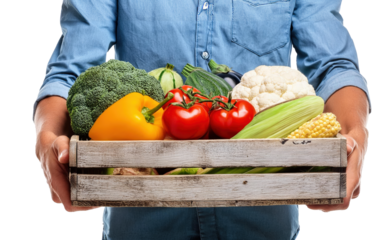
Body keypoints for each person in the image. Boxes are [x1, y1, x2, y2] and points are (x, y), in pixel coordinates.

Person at [32, 0, 372, 239]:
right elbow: (68, 71)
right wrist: (48, 134)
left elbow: (335, 67)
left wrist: (355, 132)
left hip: (264, 227)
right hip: (140, 223)